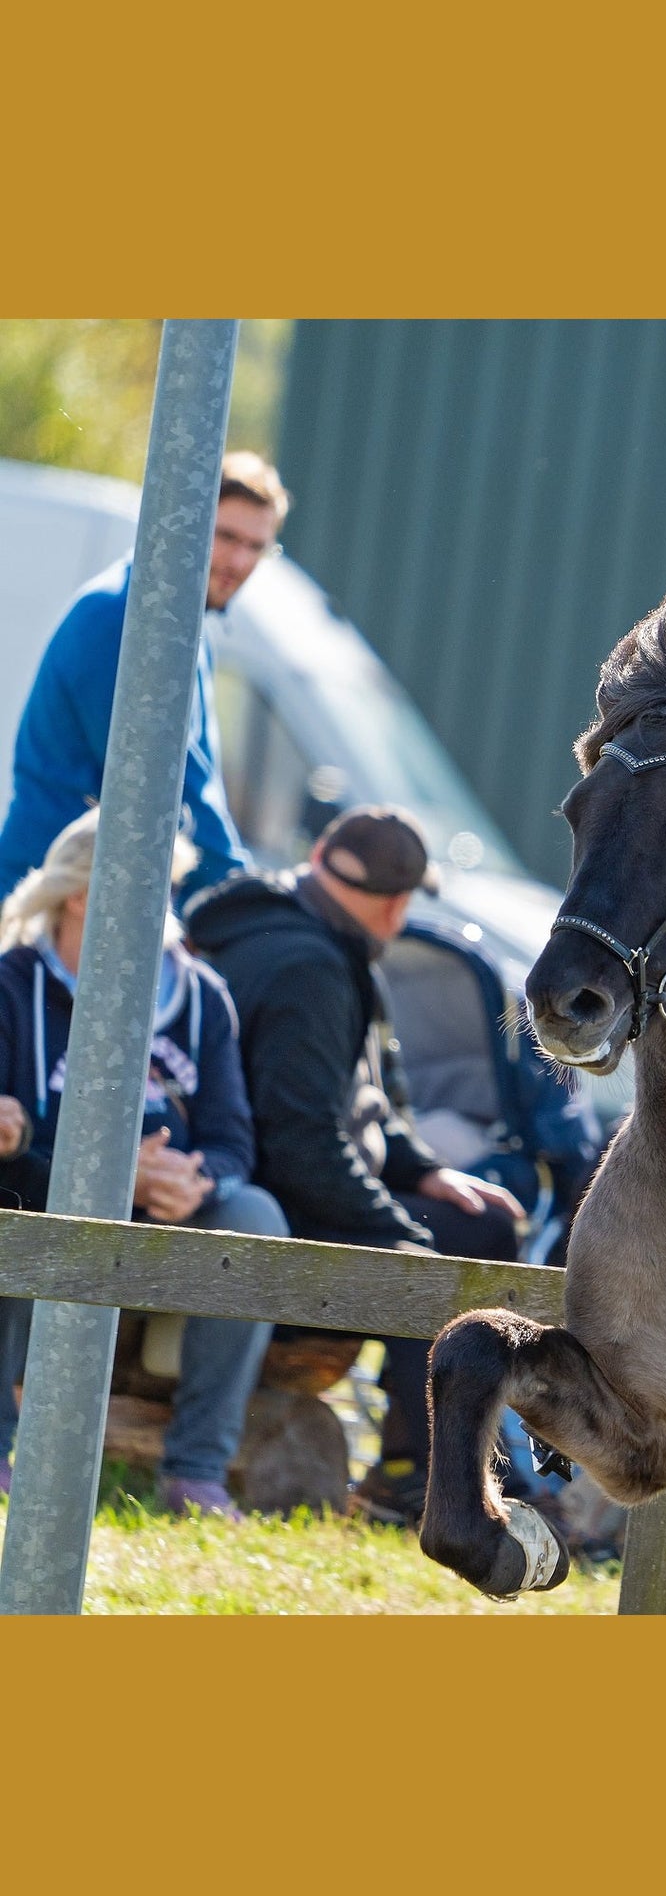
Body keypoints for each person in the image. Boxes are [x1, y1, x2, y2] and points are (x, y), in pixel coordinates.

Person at [182, 803, 525, 1524]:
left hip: (301, 1187)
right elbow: (299, 1144)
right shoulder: (311, 966)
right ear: (398, 902)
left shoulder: (295, 931)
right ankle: (430, 1482)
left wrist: (423, 1170)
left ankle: (410, 1466)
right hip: (280, 1209)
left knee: (478, 1218)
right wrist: (398, 1225)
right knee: (439, 1257)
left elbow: (361, 1106)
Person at [0, 810, 287, 1515]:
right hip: (41, 1211)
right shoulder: (12, 986)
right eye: (150, 889)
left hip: (164, 1216)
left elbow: (232, 1143)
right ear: (80, 895)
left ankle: (195, 1474)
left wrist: (196, 1182)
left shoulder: (199, 996)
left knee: (255, 1213)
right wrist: (95, 1176)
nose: (165, 912)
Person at [0, 451, 288, 902]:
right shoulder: (125, 619)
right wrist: (242, 895)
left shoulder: (182, 627)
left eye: (257, 546)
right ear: (181, 525)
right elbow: (166, 782)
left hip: (96, 902)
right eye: (226, 536)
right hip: (51, 906)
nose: (239, 561)